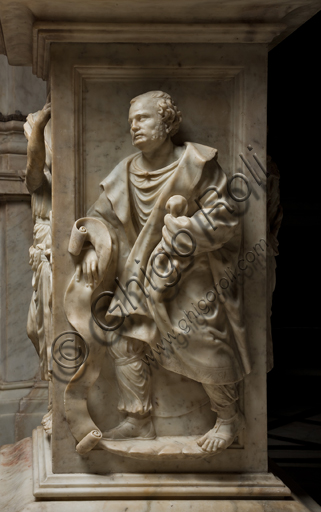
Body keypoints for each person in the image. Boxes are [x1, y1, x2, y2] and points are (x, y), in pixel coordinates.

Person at [75, 91, 251, 454]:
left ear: (168, 122)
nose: (134, 127)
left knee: (203, 340)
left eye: (143, 119)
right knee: (124, 337)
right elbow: (96, 219)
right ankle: (138, 420)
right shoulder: (124, 172)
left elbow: (226, 217)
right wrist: (89, 246)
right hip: (141, 273)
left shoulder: (197, 163)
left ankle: (228, 417)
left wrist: (187, 228)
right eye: (130, 122)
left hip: (190, 270)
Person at [25, 100, 53, 434]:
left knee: (51, 330)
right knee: (36, 330)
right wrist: (42, 125)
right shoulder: (36, 122)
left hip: (60, 241)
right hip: (42, 241)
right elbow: (34, 179)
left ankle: (58, 406)